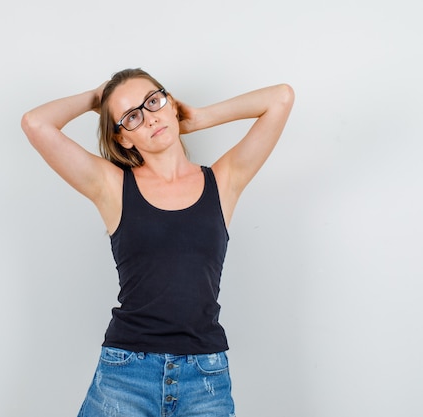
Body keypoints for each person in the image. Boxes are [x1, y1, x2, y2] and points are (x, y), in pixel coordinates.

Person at [21, 68, 294, 417]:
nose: (149, 118)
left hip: (205, 378)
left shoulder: (223, 181)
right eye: (132, 117)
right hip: (125, 376)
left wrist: (198, 118)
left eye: (153, 102)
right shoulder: (112, 187)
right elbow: (35, 123)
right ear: (123, 138)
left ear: (171, 103)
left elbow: (281, 97)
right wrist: (97, 96)